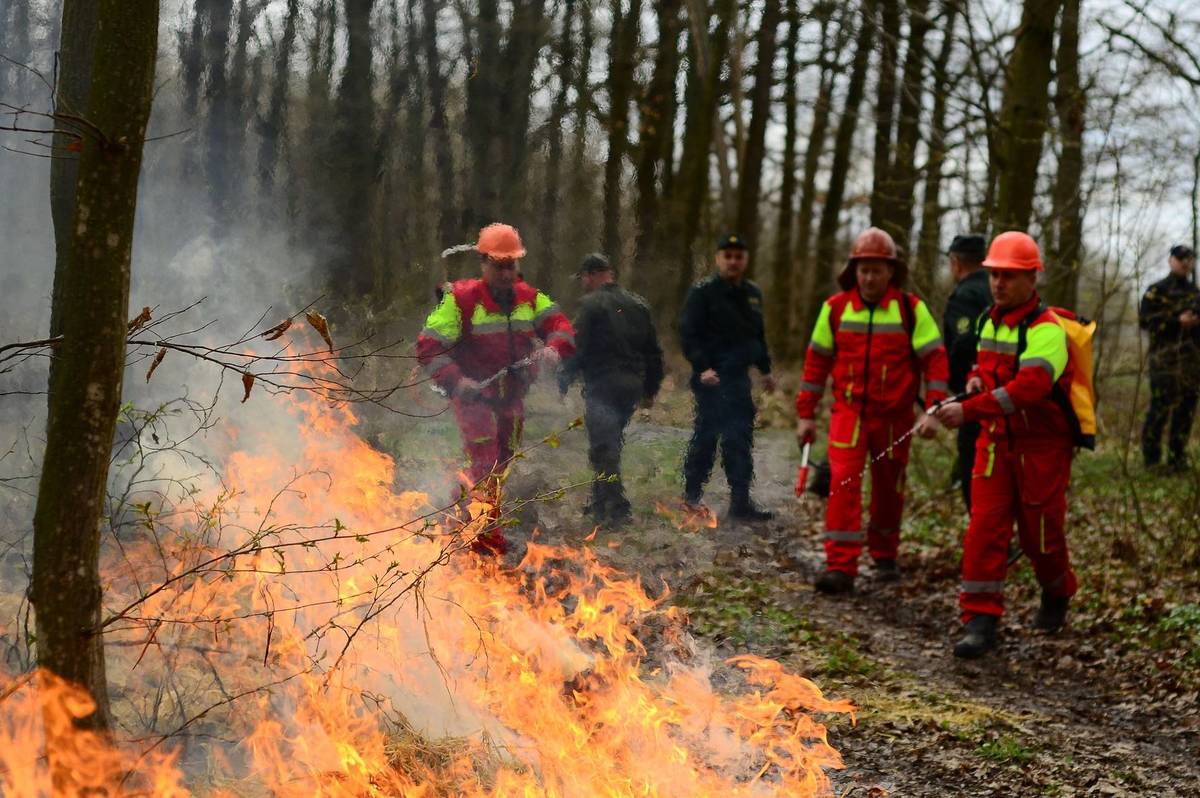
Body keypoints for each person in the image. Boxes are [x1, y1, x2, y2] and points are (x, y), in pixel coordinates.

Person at [931, 231, 1079, 659]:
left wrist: (971, 408)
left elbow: (1030, 386)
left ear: (1032, 278)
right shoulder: (987, 318)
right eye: (995, 274)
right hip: (995, 443)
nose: (999, 283)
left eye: (1010, 276)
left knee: (1041, 536)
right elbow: (983, 363)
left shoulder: (1048, 330)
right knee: (984, 530)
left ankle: (1057, 592)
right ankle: (979, 620)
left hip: (1042, 447)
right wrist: (977, 378)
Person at [796, 227, 949, 594]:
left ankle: (884, 555)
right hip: (848, 414)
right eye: (863, 269)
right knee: (843, 485)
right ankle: (840, 566)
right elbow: (816, 364)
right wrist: (805, 414)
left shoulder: (911, 310)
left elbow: (936, 362)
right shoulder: (834, 309)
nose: (869, 277)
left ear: (891, 272)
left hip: (895, 418)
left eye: (877, 270)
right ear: (854, 270)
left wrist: (933, 408)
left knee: (888, 489)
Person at [417, 223, 576, 554]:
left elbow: (561, 327)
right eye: (499, 266)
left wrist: (553, 348)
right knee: (486, 470)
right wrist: (458, 382)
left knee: (500, 471)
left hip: (512, 400)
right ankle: (487, 545)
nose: (506, 274)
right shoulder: (460, 300)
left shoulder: (531, 298)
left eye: (511, 266)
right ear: (484, 264)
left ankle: (457, 513)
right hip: (475, 400)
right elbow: (428, 348)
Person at [559, 254, 664, 525]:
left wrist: (563, 380)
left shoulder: (590, 305)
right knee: (609, 442)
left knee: (604, 448)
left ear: (591, 275)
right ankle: (599, 502)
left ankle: (617, 508)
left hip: (603, 384)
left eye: (583, 278)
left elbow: (576, 347)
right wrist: (650, 388)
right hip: (631, 385)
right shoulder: (638, 305)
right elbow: (653, 351)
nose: (582, 284)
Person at [680, 234, 777, 521]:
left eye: (739, 256)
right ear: (718, 259)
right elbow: (687, 333)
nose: (733, 261)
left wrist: (766, 369)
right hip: (711, 379)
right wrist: (701, 367)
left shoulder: (752, 294)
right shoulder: (703, 292)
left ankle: (740, 503)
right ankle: (691, 497)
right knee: (706, 438)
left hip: (738, 379)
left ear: (745, 260)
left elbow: (757, 335)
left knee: (739, 439)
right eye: (728, 256)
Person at [1138, 244, 1200, 472]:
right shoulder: (1157, 291)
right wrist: (1177, 322)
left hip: (1191, 362)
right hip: (1163, 360)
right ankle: (1152, 460)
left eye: (1190, 258)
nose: (1185, 262)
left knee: (1185, 410)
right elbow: (1145, 321)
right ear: (1171, 260)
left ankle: (1177, 458)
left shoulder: (1195, 293)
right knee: (1160, 408)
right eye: (1181, 258)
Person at [942, 234, 992, 510]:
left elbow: (963, 343)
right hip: (998, 394)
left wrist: (957, 382)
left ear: (956, 263)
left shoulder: (965, 294)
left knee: (973, 466)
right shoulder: (996, 289)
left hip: (972, 395)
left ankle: (989, 542)